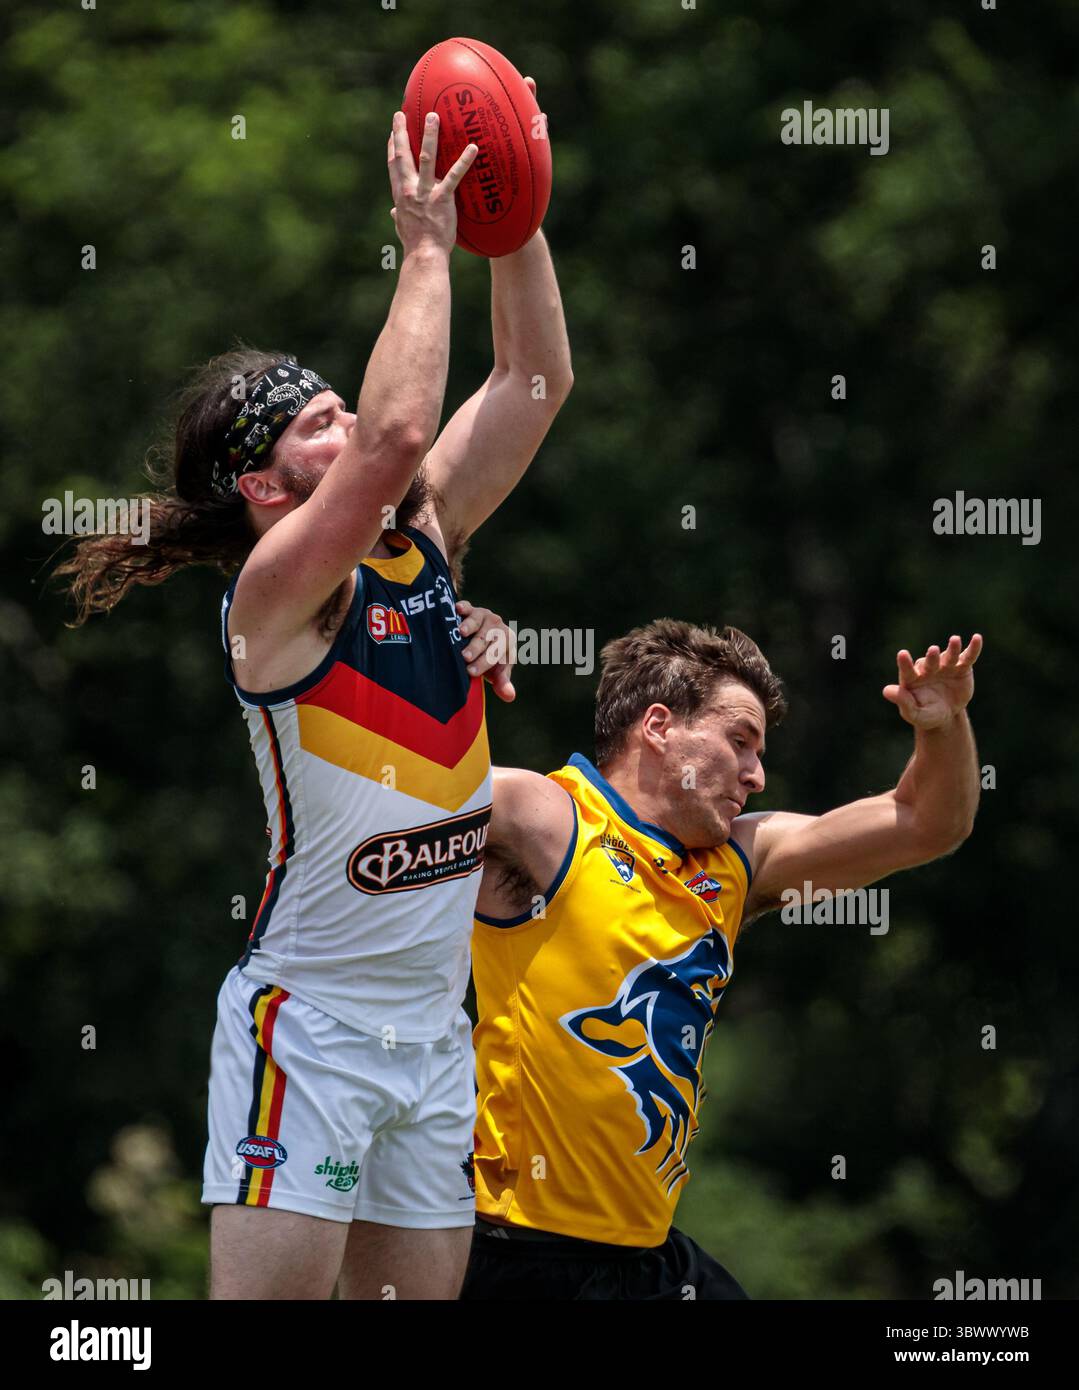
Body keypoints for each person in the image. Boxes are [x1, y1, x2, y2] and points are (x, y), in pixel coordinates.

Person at [55, 97, 572, 1300]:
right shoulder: (272, 595)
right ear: (265, 488)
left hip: (434, 1034)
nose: (347, 423)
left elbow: (534, 379)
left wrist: (517, 208)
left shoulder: (422, 539)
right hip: (316, 1030)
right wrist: (427, 244)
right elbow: (397, 433)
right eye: (313, 423)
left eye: (338, 403)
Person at [462, 618, 981, 1299]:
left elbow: (926, 823)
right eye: (739, 742)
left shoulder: (737, 862)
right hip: (518, 1248)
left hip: (649, 1257)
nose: (756, 776)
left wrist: (942, 726)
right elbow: (406, 788)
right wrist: (456, 639)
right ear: (657, 726)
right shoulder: (551, 816)